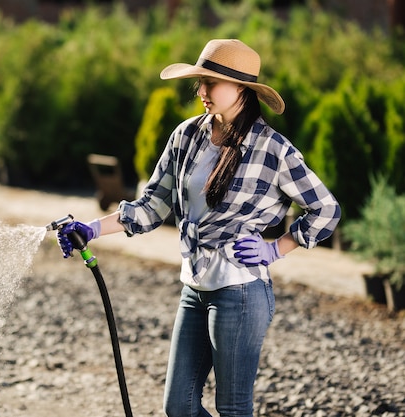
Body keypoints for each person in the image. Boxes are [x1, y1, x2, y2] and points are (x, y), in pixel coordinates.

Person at [56, 39, 341, 417]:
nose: (202, 91)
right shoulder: (187, 136)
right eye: (200, 81)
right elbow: (151, 206)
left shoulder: (273, 149)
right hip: (194, 287)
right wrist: (91, 228)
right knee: (179, 406)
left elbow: (326, 209)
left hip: (240, 292)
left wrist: (277, 249)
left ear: (242, 88)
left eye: (212, 82)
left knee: (233, 408)